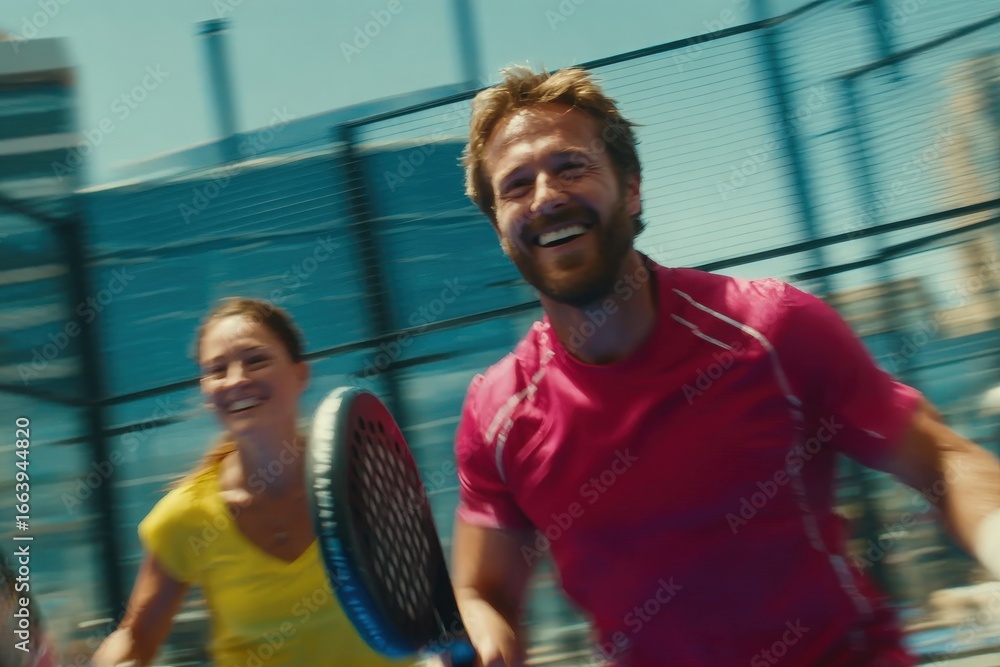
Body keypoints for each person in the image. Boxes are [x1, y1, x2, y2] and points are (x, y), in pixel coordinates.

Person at [450, 66, 1000, 667]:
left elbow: (941, 458)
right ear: (499, 229)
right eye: (516, 185)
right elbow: (485, 592)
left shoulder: (775, 327)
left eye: (570, 167)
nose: (546, 197)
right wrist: (482, 637)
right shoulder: (495, 414)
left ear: (631, 190)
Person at [93, 298, 415, 667]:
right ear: (205, 391)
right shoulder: (183, 518)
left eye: (256, 360)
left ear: (300, 374)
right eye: (217, 370)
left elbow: (424, 594)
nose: (236, 380)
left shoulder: (364, 476)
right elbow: (136, 637)